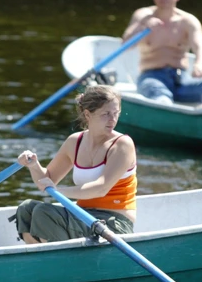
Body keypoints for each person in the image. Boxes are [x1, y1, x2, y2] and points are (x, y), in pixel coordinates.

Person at [14, 85, 136, 243]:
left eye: (116, 113)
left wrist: (59, 191)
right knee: (27, 209)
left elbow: (101, 188)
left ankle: (56, 259)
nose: (112, 119)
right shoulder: (74, 142)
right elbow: (46, 180)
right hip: (83, 217)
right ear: (88, 114)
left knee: (43, 212)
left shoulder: (122, 144)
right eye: (106, 114)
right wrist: (33, 165)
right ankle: (44, 259)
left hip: (115, 224)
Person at [122, 0, 202, 106]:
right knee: (158, 92)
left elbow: (201, 47)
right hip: (151, 77)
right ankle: (165, 107)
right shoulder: (142, 16)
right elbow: (125, 44)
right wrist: (142, 27)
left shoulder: (188, 21)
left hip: (181, 79)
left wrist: (200, 65)